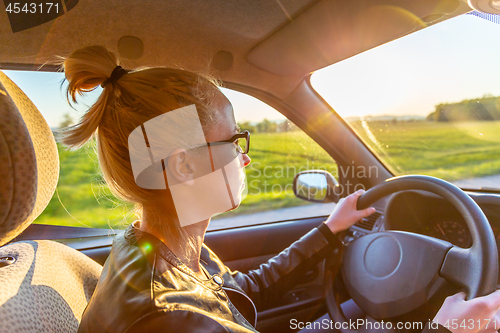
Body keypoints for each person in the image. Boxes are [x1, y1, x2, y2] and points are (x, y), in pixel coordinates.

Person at [60, 46, 500, 333]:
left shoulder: (158, 248)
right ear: (184, 164)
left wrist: (329, 231)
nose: (246, 157)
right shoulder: (172, 318)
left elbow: (240, 292)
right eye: (234, 142)